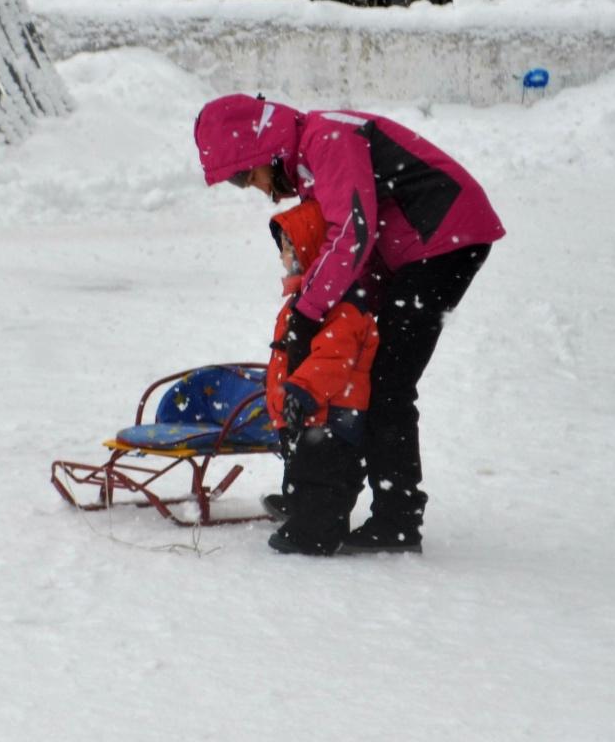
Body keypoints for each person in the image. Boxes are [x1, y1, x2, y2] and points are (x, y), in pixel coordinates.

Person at [195, 93, 503, 554]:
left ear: (261, 150)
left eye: (245, 176)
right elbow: (352, 244)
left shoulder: (328, 140)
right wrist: (323, 310)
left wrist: (307, 313)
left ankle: (397, 521)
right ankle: (317, 494)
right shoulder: (312, 157)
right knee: (359, 374)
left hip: (444, 241)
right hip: (418, 249)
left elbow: (352, 232)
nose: (256, 189)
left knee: (389, 383)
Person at [259, 199, 381, 555]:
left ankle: (316, 533)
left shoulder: (342, 303)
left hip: (332, 412)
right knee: (302, 467)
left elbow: (334, 356)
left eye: (288, 248)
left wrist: (301, 390)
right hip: (308, 409)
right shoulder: (304, 299)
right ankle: (302, 510)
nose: (282, 257)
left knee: (324, 474)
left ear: (309, 250)